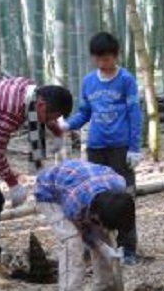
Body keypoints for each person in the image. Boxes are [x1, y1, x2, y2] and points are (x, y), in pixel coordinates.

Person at [0, 77, 72, 287]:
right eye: (51, 116)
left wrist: (56, 129)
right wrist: (13, 183)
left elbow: (39, 124)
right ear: (42, 105)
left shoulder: (31, 92)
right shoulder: (11, 110)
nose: (48, 121)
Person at [34, 160, 137, 291]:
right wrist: (100, 246)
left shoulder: (120, 186)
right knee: (72, 242)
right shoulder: (75, 203)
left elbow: (111, 224)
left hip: (82, 184)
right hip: (50, 192)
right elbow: (84, 232)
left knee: (105, 237)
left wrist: (107, 245)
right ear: (95, 215)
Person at [60, 32, 143, 188]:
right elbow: (84, 113)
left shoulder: (126, 79)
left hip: (120, 146)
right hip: (96, 146)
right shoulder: (88, 81)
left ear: (115, 56)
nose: (101, 63)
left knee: (123, 190)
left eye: (106, 59)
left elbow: (135, 114)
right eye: (97, 59)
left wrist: (134, 148)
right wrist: (67, 125)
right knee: (98, 190)